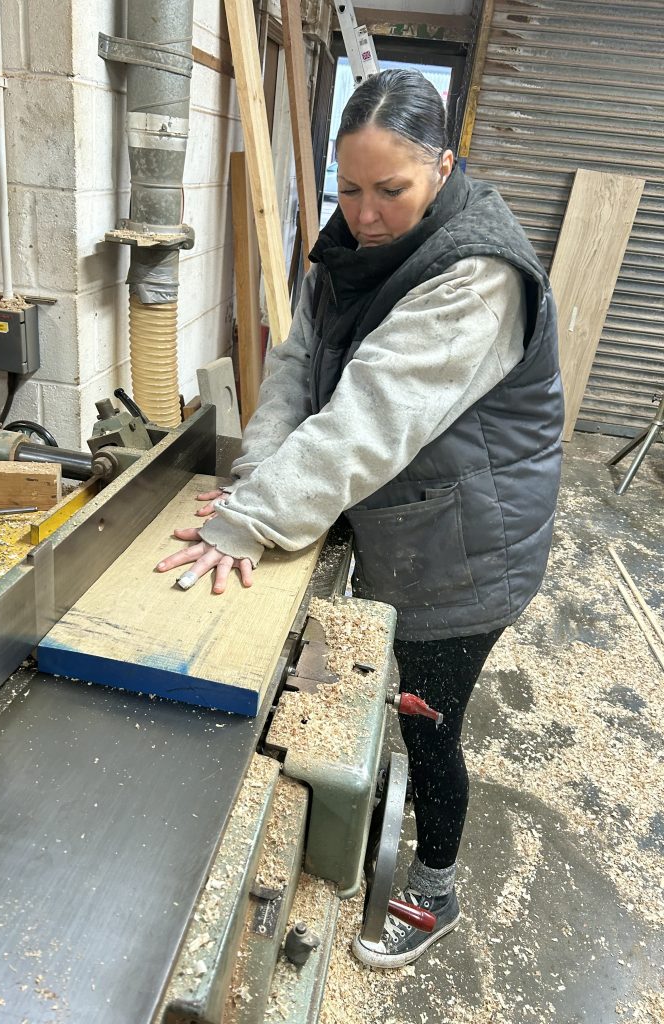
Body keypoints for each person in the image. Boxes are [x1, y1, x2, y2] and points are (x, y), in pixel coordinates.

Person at [156, 69, 563, 968]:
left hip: (465, 546)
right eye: (349, 189)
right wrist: (255, 487)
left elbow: (368, 419)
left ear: (444, 168)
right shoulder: (346, 248)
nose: (367, 214)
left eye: (392, 190)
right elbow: (296, 372)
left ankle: (436, 886)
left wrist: (251, 523)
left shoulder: (481, 276)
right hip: (402, 514)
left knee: (431, 720)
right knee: (382, 698)